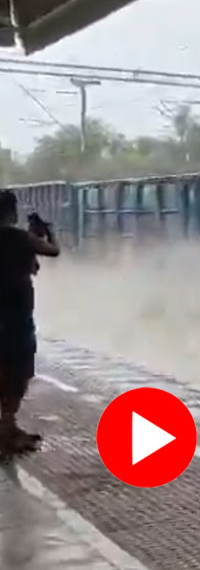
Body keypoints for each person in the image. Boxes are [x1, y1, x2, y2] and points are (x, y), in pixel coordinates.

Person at [0, 190, 59, 455]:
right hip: (16, 315)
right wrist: (45, 233)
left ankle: (8, 429)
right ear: (12, 212)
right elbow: (53, 251)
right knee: (19, 367)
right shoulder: (21, 238)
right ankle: (7, 426)